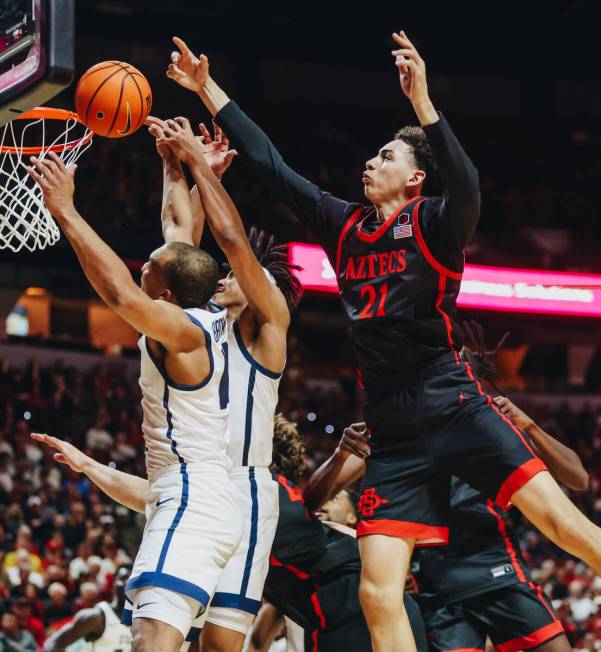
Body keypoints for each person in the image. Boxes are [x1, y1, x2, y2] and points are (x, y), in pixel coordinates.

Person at [165, 32, 601, 651]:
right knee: (377, 593)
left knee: (565, 527)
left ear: (416, 176)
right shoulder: (344, 226)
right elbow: (272, 165)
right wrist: (208, 89)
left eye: (386, 155)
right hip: (392, 432)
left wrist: (424, 102)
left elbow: (470, 187)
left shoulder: (435, 223)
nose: (370, 161)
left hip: (452, 404)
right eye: (372, 153)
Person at [28, 152, 243, 652]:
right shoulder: (197, 306)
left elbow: (122, 296)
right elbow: (179, 234)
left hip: (191, 502)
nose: (141, 264)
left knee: (147, 645)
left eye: (147, 267)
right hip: (197, 497)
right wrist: (183, 170)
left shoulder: (184, 331)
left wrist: (66, 211)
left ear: (164, 292)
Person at [32, 415, 426, 652]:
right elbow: (157, 495)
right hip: (352, 613)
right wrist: (88, 466)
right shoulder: (277, 495)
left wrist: (90, 466)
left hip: (355, 612)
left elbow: (150, 494)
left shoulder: (253, 491)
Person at [142, 116, 301, 652]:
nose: (229, 276)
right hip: (197, 481)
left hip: (245, 488)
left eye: (245, 275)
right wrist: (180, 170)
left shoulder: (269, 330)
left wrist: (201, 169)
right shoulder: (201, 321)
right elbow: (178, 241)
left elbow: (232, 241)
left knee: (218, 645)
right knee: (168, 630)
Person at [303, 393, 589, 652]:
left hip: (496, 570)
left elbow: (578, 478)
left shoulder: (485, 422)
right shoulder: (393, 431)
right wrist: (341, 454)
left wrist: (529, 426)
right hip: (438, 590)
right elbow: (312, 500)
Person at [43, 565, 132, 652]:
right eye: (123, 578)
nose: (128, 582)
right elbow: (51, 644)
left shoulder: (139, 621)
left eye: (132, 579)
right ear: (113, 586)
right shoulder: (96, 617)